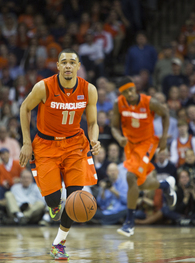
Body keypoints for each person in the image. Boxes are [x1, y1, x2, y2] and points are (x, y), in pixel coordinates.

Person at [19, 48, 100, 260]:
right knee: (54, 199)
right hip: (46, 146)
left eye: (72, 62)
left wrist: (95, 139)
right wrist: (27, 143)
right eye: (63, 62)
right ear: (57, 66)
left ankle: (59, 243)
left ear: (78, 66)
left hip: (75, 146)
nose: (68, 66)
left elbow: (92, 123)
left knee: (74, 199)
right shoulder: (43, 87)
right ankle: (54, 206)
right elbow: (24, 108)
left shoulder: (89, 89)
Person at [111, 77, 177, 237]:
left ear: (135, 88)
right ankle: (165, 185)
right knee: (138, 185)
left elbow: (166, 114)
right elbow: (114, 126)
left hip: (147, 144)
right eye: (126, 92)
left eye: (131, 90)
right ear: (122, 94)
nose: (130, 94)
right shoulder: (118, 104)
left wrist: (162, 139)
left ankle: (129, 222)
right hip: (130, 146)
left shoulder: (149, 102)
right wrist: (119, 138)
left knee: (130, 176)